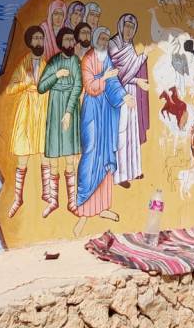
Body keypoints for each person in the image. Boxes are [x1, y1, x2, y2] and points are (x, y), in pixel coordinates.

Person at [74, 27, 133, 236]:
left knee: (106, 154)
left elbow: (114, 82)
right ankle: (83, 208)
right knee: (91, 153)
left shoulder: (106, 58)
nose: (104, 41)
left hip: (106, 112)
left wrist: (124, 96)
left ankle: (102, 207)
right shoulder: (88, 59)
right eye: (101, 38)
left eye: (106, 39)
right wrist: (104, 77)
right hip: (92, 111)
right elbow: (90, 86)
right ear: (95, 39)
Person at [3, 25, 49, 218]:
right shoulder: (23, 64)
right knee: (23, 155)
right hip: (27, 111)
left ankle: (47, 193)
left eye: (41, 38)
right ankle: (17, 198)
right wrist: (26, 83)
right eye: (36, 38)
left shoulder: (46, 64)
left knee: (45, 153)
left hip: (43, 111)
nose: (39, 41)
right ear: (30, 42)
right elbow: (9, 89)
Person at [37, 27, 82, 217]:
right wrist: (56, 75)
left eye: (72, 40)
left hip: (69, 110)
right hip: (55, 109)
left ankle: (72, 202)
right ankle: (54, 200)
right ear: (60, 42)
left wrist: (69, 112)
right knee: (54, 157)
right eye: (67, 40)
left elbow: (78, 85)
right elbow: (41, 87)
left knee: (70, 158)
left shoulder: (75, 61)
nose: (70, 43)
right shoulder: (54, 62)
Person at [108, 14, 151, 188]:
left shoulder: (129, 46)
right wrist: (143, 56)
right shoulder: (113, 45)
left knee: (132, 132)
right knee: (121, 133)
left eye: (132, 28)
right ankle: (120, 175)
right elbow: (120, 73)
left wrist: (137, 81)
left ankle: (133, 170)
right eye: (126, 26)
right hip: (117, 93)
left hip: (130, 92)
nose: (129, 30)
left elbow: (129, 74)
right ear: (120, 26)